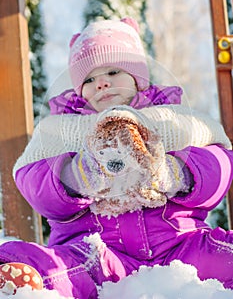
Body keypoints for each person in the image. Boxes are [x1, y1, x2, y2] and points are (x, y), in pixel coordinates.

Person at [0, 17, 233, 298]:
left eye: (113, 72)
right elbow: (35, 184)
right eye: (89, 79)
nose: (101, 84)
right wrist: (81, 175)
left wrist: (171, 172)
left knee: (222, 256)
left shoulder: (174, 119)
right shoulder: (61, 129)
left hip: (179, 243)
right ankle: (22, 276)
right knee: (61, 268)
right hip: (97, 251)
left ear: (138, 77)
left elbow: (218, 165)